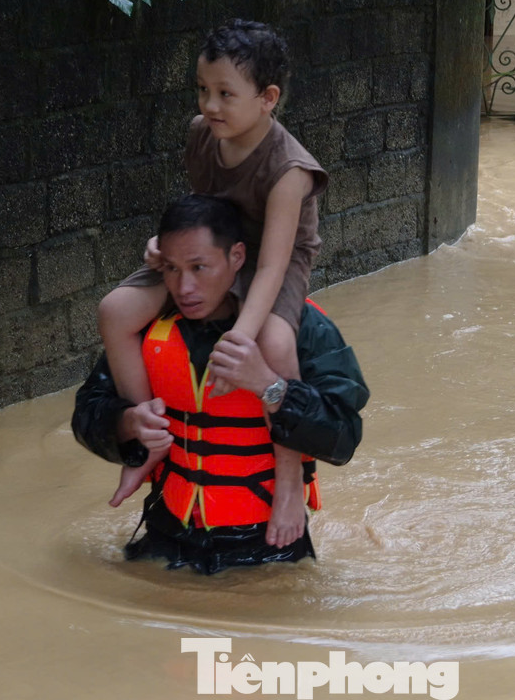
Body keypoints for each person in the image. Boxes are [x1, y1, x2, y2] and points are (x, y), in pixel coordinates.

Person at [97, 19, 327, 548]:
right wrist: (167, 246)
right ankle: (151, 437)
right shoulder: (201, 135)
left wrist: (240, 337)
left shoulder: (289, 169)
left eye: (226, 94)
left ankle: (289, 479)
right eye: (203, 90)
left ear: (268, 98)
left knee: (274, 342)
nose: (211, 105)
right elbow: (199, 213)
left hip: (272, 257)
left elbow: (270, 266)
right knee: (115, 310)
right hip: (212, 252)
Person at [71, 195, 368, 575]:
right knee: (161, 637)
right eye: (173, 270)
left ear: (237, 258)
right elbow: (88, 412)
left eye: (200, 267)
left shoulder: (298, 328)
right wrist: (126, 422)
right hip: (167, 535)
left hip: (267, 546)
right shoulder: (150, 328)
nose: (185, 287)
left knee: (224, 639)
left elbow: (343, 439)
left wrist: (270, 387)